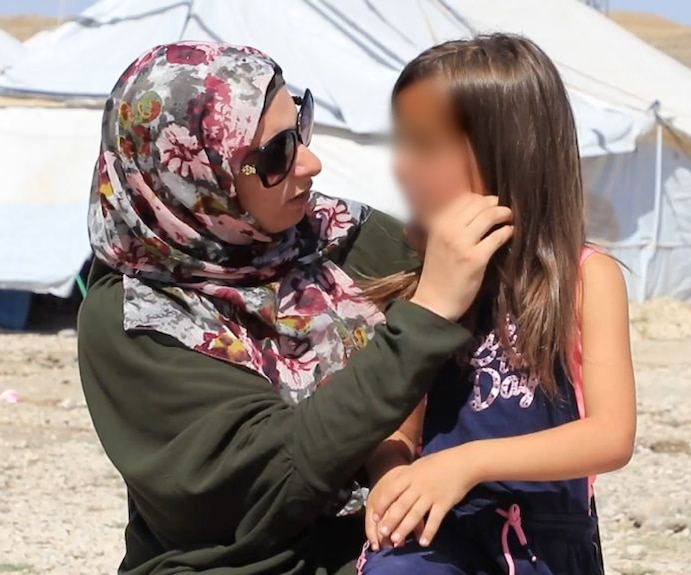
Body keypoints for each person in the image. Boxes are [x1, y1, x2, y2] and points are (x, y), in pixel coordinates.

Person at [78, 41, 513, 574]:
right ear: (196, 177)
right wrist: (426, 315)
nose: (310, 162)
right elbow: (278, 475)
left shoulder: (330, 233)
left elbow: (503, 282)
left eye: (300, 127)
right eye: (275, 155)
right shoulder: (136, 319)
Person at [357, 34, 637, 575]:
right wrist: (391, 476)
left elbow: (611, 435)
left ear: (506, 155)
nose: (402, 167)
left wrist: (466, 464)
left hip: (542, 541)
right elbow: (399, 430)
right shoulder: (426, 282)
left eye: (425, 146)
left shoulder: (583, 279)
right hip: (435, 534)